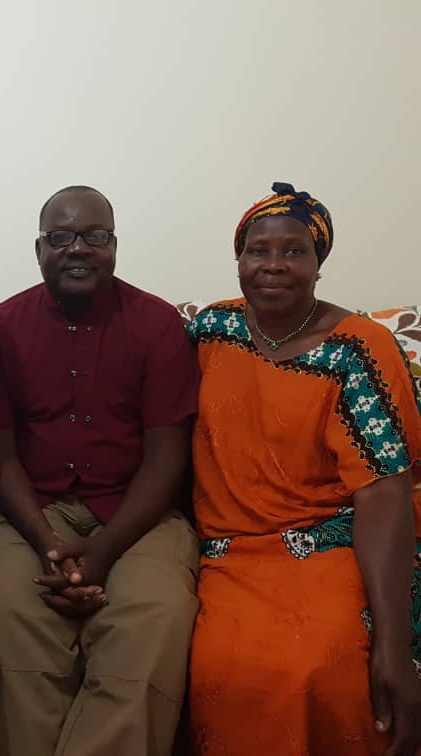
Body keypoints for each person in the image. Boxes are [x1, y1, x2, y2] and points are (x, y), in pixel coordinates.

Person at [187, 182, 421, 755]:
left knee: (325, 664)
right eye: (257, 250)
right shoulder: (210, 331)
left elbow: (384, 494)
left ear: (319, 263)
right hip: (229, 550)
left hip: (334, 541)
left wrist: (393, 643)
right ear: (239, 260)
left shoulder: (359, 349)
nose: (273, 264)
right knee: (221, 667)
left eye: (294, 251)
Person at [0, 185, 200, 756]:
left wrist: (103, 551)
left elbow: (166, 458)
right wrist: (48, 544)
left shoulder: (157, 324)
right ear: (39, 250)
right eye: (60, 237)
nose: (78, 249)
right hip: (32, 511)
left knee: (155, 613)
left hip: (138, 514)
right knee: (8, 611)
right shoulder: (0, 328)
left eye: (95, 236)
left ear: (114, 246)